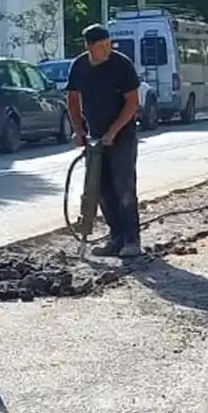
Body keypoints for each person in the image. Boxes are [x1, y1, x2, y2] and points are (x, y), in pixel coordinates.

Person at [65, 24, 142, 258]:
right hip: (96, 136)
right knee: (101, 189)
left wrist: (114, 131)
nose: (107, 50)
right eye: (101, 46)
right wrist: (78, 130)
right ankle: (115, 238)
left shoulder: (121, 65)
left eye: (109, 44)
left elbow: (132, 102)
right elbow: (72, 98)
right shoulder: (79, 66)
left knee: (124, 186)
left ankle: (132, 240)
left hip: (122, 134)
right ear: (89, 47)